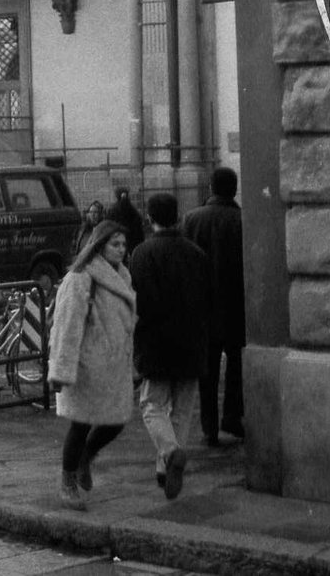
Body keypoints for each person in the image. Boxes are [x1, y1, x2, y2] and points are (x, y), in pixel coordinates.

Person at [125, 193, 210, 499]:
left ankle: (171, 453)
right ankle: (165, 468)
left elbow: (139, 302)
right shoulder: (196, 252)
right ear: (177, 216)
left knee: (151, 405)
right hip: (192, 341)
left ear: (150, 218)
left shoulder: (142, 253)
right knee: (183, 409)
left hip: (157, 342)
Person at [48, 219, 136, 510]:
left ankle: (86, 457)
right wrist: (61, 370)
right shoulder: (81, 277)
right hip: (87, 363)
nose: (121, 250)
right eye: (115, 244)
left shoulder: (122, 275)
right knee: (81, 423)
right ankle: (67, 482)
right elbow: (67, 324)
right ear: (99, 245)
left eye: (124, 244)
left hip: (114, 363)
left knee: (118, 420)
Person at [184, 166, 246, 445]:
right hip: (236, 306)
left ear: (210, 188)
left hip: (202, 308)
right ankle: (232, 417)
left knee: (206, 369)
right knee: (236, 365)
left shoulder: (192, 220)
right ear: (234, 189)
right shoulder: (243, 220)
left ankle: (208, 427)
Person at [104, 187, 146, 254]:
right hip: (134, 245)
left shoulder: (112, 211)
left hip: (117, 244)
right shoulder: (134, 211)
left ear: (116, 197)